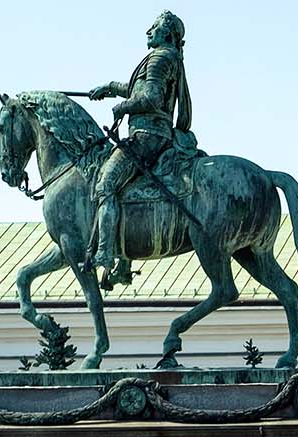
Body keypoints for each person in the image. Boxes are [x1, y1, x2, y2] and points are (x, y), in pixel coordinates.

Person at [86, 11, 193, 288]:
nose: (148, 31)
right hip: (157, 136)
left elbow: (151, 97)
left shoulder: (159, 58)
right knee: (127, 188)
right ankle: (124, 264)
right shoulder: (168, 57)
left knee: (106, 184)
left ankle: (105, 252)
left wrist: (122, 107)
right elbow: (137, 88)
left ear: (166, 33)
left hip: (146, 137)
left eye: (154, 27)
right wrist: (109, 88)